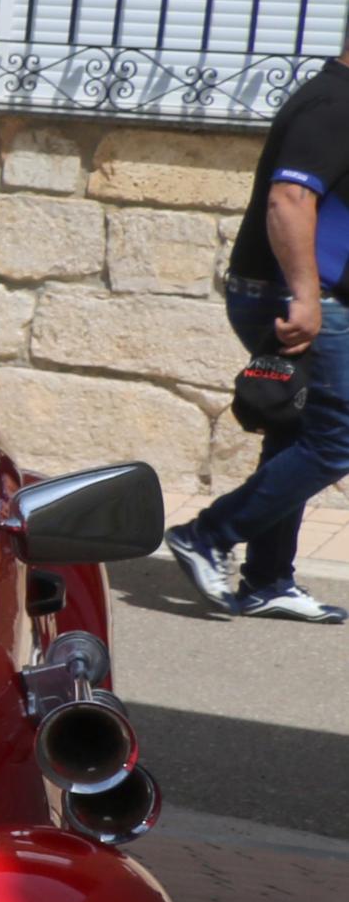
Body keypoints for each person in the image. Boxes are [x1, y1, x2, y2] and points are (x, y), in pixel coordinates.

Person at [165, 42, 349, 625]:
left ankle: (268, 579)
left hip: (312, 293)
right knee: (338, 436)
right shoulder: (334, 103)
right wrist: (306, 294)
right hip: (296, 296)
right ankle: (209, 534)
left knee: (295, 436)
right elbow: (289, 200)